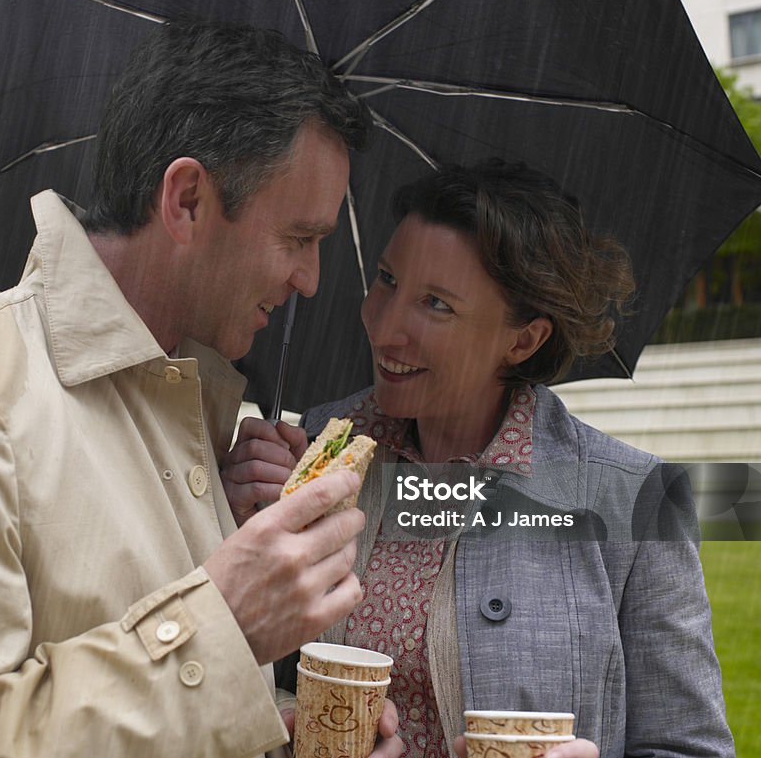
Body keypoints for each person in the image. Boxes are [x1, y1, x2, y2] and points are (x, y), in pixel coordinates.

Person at [0, 21, 404, 758]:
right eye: (299, 238)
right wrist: (224, 624)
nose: (310, 279)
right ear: (185, 199)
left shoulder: (212, 423)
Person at [223, 159, 734, 758]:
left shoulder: (635, 502)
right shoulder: (313, 456)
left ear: (524, 340)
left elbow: (691, 747)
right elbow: (232, 678)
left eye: (437, 304)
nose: (384, 328)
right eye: (387, 279)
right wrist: (232, 523)